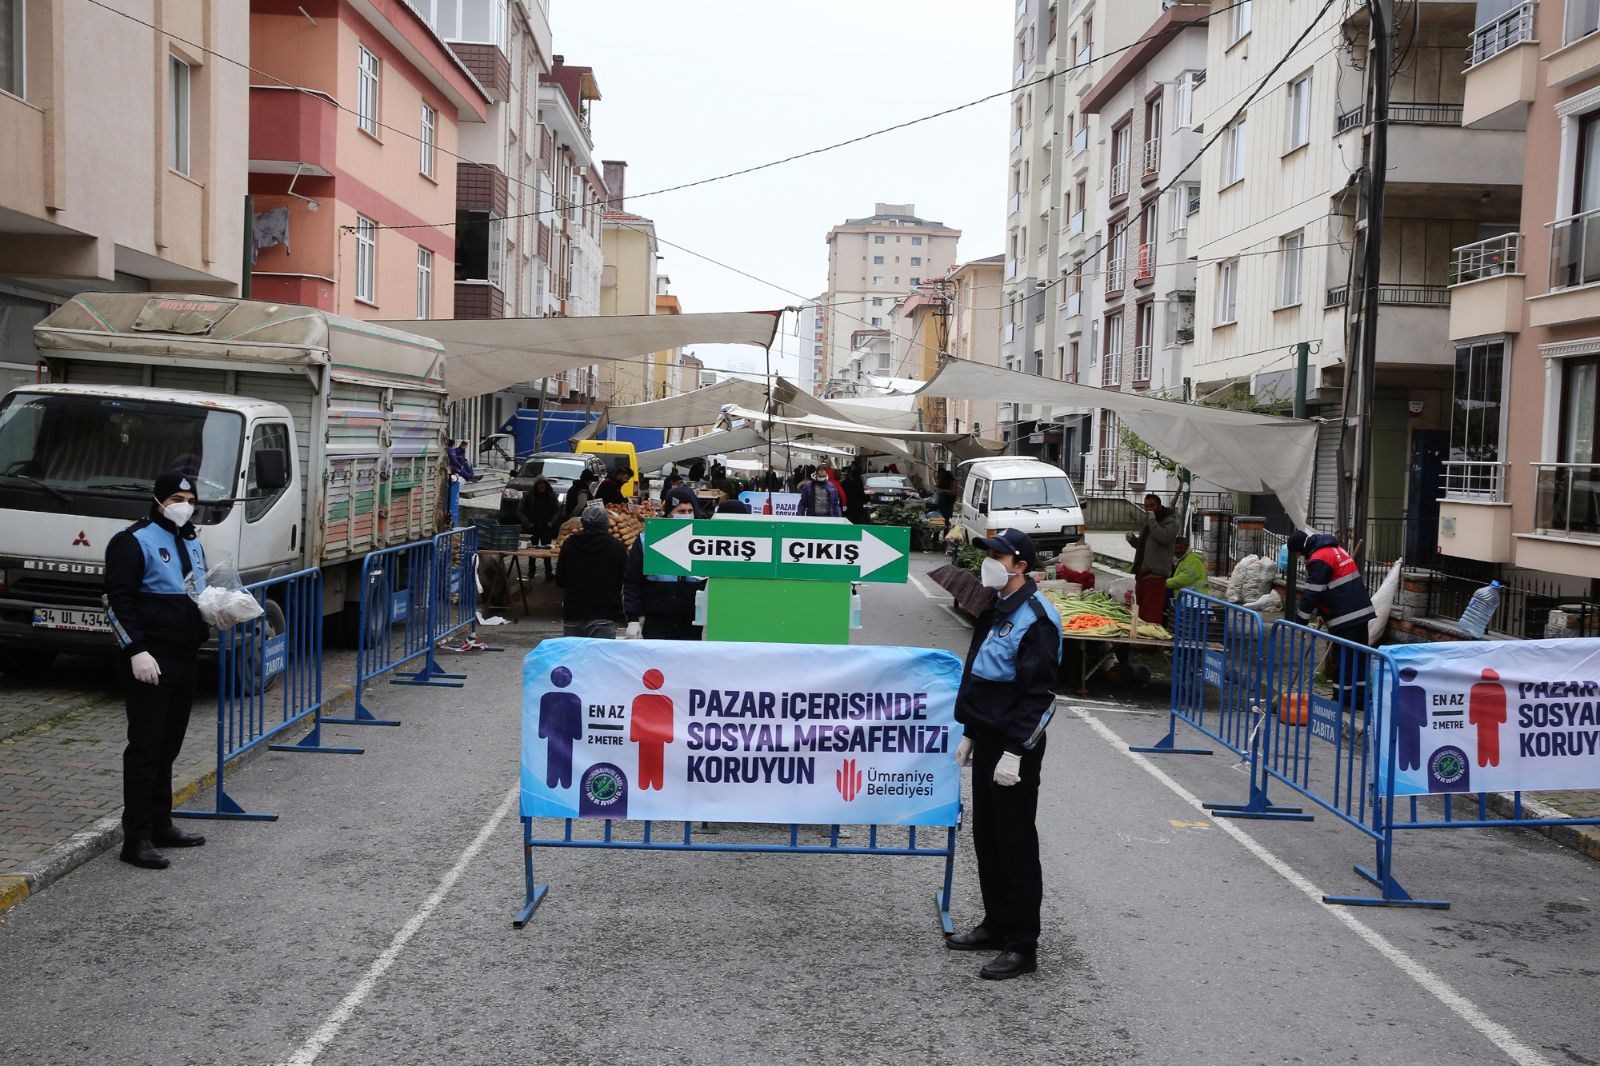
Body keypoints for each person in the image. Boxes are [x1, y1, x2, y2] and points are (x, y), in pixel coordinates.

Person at [946, 528, 1061, 980]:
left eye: (997, 556)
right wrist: (973, 732)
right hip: (990, 737)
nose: (988, 562)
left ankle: (1022, 944)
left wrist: (1015, 752)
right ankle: (996, 923)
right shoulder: (996, 608)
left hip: (1017, 745)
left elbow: (1040, 696)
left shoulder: (1037, 618)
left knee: (1014, 843)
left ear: (1020, 566)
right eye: (987, 554)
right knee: (988, 839)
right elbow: (982, 675)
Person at [103, 469, 212, 869]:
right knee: (146, 748)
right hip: (151, 658)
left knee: (169, 746)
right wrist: (136, 650)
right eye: (176, 500)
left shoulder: (191, 540)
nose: (184, 507)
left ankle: (161, 823)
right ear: (158, 500)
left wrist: (216, 612)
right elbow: (116, 600)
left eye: (189, 500)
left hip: (185, 655)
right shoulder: (133, 541)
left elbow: (194, 593)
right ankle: (136, 838)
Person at [1288, 530, 1376, 707]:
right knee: (1358, 657)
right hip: (1360, 611)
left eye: (1296, 553)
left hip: (1345, 616)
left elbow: (1312, 594)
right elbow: (1332, 587)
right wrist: (1323, 613)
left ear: (1300, 548)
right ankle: (1359, 700)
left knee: (1343, 658)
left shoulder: (1319, 558)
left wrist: (1300, 623)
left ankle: (1342, 699)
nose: (1298, 556)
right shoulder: (1336, 550)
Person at [623, 487, 704, 639]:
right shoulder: (647, 539)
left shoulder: (702, 542)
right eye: (681, 511)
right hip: (657, 622)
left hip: (691, 623)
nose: (687, 515)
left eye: (689, 511)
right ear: (669, 513)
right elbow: (633, 581)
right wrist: (633, 619)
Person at [556, 504, 629, 638]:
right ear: (606, 524)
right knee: (600, 657)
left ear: (583, 523)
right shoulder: (616, 547)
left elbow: (560, 580)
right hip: (605, 613)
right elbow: (626, 579)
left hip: (574, 612)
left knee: (576, 657)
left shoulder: (569, 544)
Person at [1124, 492, 1177, 624]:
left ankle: (1149, 641)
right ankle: (1141, 638)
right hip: (1142, 572)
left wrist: (1152, 521)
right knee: (1140, 607)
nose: (1149, 508)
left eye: (1152, 505)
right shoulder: (1149, 522)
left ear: (1159, 506)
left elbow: (1163, 537)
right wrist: (1133, 541)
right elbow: (1147, 547)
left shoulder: (1170, 522)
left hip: (1156, 573)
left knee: (1151, 610)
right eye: (1146, 506)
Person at [517, 476, 561, 578]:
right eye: (539, 484)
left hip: (546, 526)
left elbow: (557, 510)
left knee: (547, 550)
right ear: (536, 485)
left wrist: (552, 522)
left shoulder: (551, 494)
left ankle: (548, 572)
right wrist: (527, 523)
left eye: (543, 483)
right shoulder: (529, 495)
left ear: (546, 484)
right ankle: (531, 571)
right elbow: (519, 510)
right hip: (532, 527)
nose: (541, 485)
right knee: (532, 550)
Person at [1166, 536, 1208, 603]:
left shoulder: (1192, 560)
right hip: (1188, 599)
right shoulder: (1181, 560)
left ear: (1186, 547)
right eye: (1175, 548)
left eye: (1180, 547)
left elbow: (1183, 580)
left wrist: (1163, 583)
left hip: (1195, 600)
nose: (1177, 551)